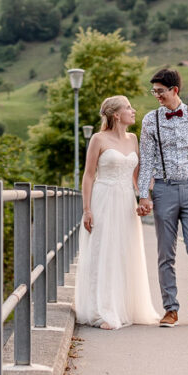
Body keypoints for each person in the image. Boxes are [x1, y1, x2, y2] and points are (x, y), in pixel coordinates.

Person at [137, 68, 188, 326]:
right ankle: (170, 308)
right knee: (165, 253)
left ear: (175, 90)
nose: (157, 96)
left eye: (160, 91)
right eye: (154, 92)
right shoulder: (150, 120)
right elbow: (146, 160)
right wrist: (143, 195)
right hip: (163, 189)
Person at [75, 95, 159, 329]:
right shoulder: (98, 139)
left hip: (125, 202)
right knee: (104, 251)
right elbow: (89, 175)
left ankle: (126, 307)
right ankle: (102, 311)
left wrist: (145, 198)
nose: (133, 111)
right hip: (103, 199)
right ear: (115, 115)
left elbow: (137, 176)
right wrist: (87, 209)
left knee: (125, 250)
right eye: (128, 108)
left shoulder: (133, 139)